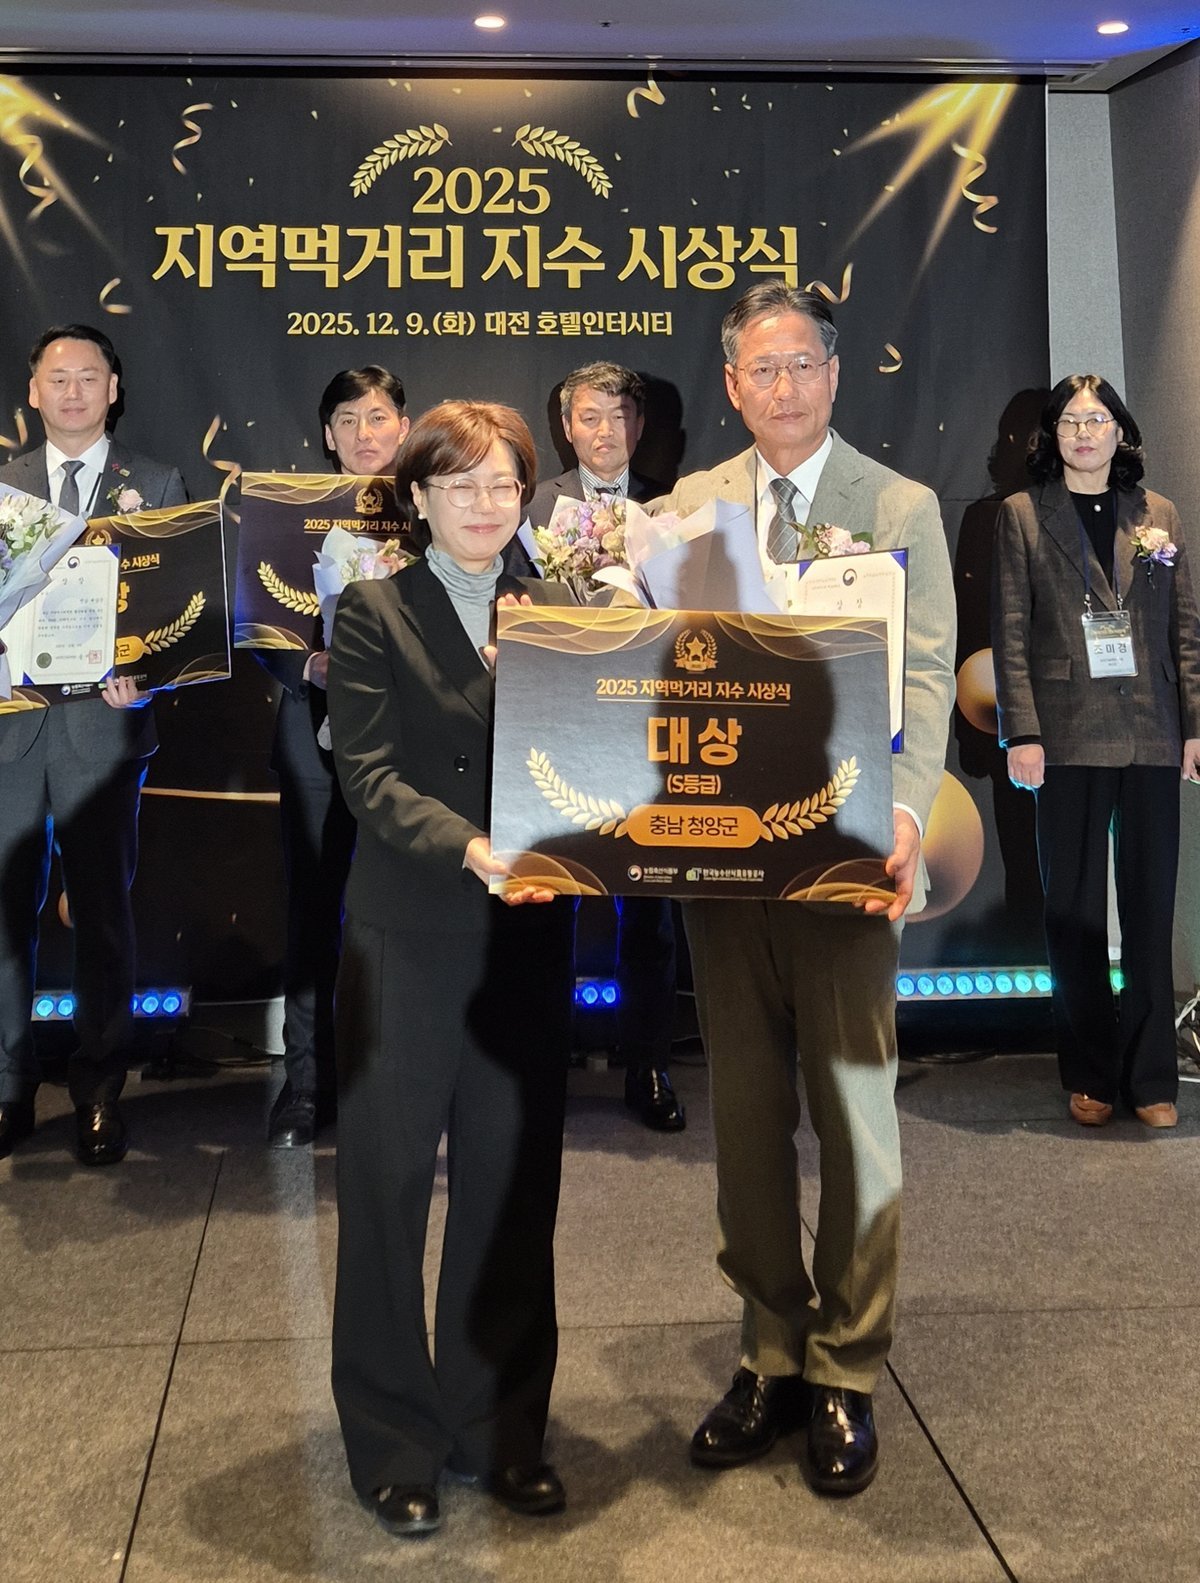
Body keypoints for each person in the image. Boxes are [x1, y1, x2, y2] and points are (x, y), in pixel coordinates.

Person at [652, 281, 955, 1494]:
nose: (783, 387)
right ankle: (769, 1351)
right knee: (743, 1120)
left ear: (834, 374)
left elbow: (924, 676)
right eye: (760, 370)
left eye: (802, 365)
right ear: (733, 387)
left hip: (845, 859)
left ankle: (847, 1366)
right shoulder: (689, 506)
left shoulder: (900, 506)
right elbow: (655, 667)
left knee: (856, 1117)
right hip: (723, 860)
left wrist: (907, 816)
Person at [327, 400, 575, 1538]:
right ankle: (394, 1440)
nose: (486, 503)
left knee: (512, 1187)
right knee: (385, 1189)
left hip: (528, 939)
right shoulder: (373, 610)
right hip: (408, 933)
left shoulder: (565, 611)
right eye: (461, 483)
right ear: (418, 495)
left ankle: (500, 1429)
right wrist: (473, 846)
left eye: (505, 483)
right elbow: (370, 778)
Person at [992, 374, 1200, 1130]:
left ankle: (1152, 1078)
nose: (1085, 433)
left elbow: (1184, 627)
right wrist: (1023, 731)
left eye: (1098, 419)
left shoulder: (1158, 514)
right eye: (1071, 421)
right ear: (1052, 436)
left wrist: (1195, 724)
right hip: (1065, 733)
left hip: (1151, 729)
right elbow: (1009, 633)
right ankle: (1090, 1074)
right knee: (1074, 910)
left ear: (1120, 431)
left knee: (1149, 908)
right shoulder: (1022, 515)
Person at [0, 324, 187, 1165]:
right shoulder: (2, 487)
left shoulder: (157, 483)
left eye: (88, 377)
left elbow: (181, 614)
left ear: (114, 388)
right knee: (4, 913)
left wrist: (150, 678)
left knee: (103, 915)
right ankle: (7, 1087)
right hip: (10, 727)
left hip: (104, 730)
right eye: (57, 378)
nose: (72, 391)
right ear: (32, 392)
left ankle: (100, 1088)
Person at [507, 361, 684, 1130]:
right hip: (561, 726)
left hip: (650, 732)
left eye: (618, 415)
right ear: (565, 426)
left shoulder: (674, 507)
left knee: (649, 909)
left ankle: (649, 1066)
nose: (605, 430)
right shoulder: (531, 508)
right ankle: (540, 1070)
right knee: (552, 903)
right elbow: (507, 601)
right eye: (589, 416)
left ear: (638, 427)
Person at [257, 365, 410, 1147]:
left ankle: (401, 1082)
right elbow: (257, 616)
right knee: (315, 909)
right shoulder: (292, 513)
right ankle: (307, 1084)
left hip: (414, 743)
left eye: (377, 416)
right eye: (347, 420)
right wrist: (307, 664)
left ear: (403, 426)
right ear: (327, 435)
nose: (363, 433)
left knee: (409, 913)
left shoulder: (434, 505)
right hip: (312, 735)